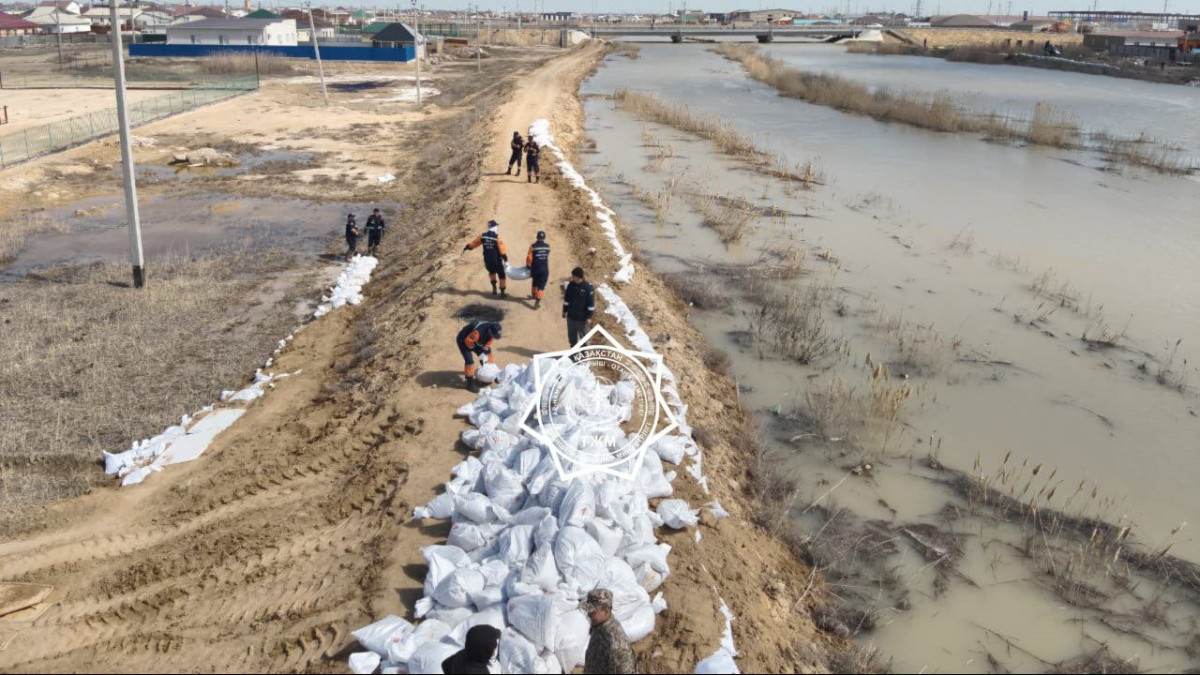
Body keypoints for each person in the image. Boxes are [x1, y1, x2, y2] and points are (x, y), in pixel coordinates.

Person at [581, 589, 637, 674]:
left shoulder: (616, 646)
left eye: (593, 611)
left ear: (606, 611)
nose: (589, 614)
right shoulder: (599, 625)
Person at [463, 220, 509, 297]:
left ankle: (494, 288)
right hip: (497, 260)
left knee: (492, 273)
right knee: (502, 276)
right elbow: (502, 249)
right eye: (496, 226)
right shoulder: (497, 237)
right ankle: (502, 292)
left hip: (487, 260)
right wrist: (505, 257)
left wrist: (468, 247)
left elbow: (474, 243)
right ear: (494, 227)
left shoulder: (482, 236)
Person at [456, 320, 501, 391]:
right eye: (493, 335)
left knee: (485, 356)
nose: (493, 337)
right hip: (464, 340)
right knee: (469, 360)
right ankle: (469, 383)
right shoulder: (478, 331)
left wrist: (487, 361)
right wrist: (477, 349)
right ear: (490, 331)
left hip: (476, 341)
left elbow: (486, 346)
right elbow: (468, 342)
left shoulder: (491, 332)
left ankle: (489, 373)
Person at [563, 266, 594, 347]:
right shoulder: (570, 285)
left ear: (577, 277)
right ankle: (573, 355)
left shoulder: (588, 288)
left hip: (581, 319)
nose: (572, 277)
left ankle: (583, 357)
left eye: (573, 276)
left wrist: (589, 317)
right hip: (571, 317)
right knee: (571, 337)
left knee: (583, 338)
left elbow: (590, 304)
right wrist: (564, 310)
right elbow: (566, 299)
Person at [526, 230, 550, 309]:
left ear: (537, 237)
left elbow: (529, 257)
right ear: (544, 238)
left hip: (535, 268)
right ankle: (537, 301)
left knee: (535, 281)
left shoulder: (532, 246)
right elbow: (547, 253)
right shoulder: (547, 246)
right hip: (544, 269)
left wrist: (528, 266)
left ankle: (533, 294)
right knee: (541, 286)